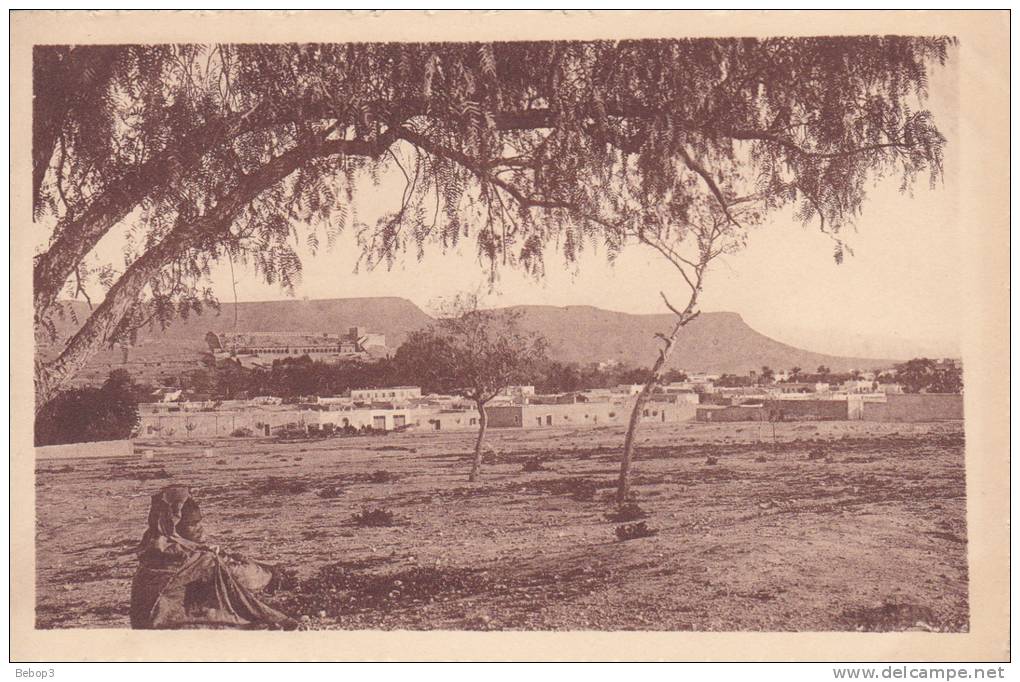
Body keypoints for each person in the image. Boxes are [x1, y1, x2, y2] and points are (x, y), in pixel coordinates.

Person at [129, 485, 298, 629]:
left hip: (141, 625)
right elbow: (244, 579)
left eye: (200, 522)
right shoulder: (196, 560)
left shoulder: (152, 552)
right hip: (166, 627)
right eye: (192, 524)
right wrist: (270, 574)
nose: (200, 529)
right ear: (174, 528)